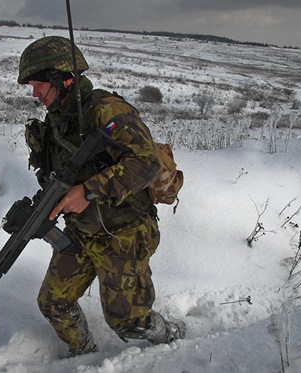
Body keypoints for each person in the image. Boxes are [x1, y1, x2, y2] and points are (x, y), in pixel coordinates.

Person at [17, 36, 185, 356]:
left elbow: (146, 163)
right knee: (53, 303)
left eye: (38, 83)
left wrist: (90, 191)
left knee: (127, 321)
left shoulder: (107, 110)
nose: (34, 93)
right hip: (82, 231)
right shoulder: (55, 122)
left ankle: (172, 338)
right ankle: (85, 355)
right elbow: (59, 178)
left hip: (124, 231)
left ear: (63, 78)